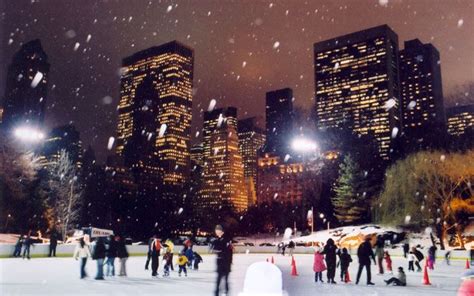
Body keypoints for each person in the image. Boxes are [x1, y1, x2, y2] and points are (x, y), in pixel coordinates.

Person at [212, 224, 233, 296]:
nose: (216, 231)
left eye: (218, 230)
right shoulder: (217, 240)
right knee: (219, 280)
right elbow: (215, 249)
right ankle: (217, 292)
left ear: (222, 231)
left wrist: (219, 251)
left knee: (225, 280)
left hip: (226, 263)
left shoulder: (226, 239)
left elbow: (228, 251)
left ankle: (226, 292)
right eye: (216, 230)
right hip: (220, 263)